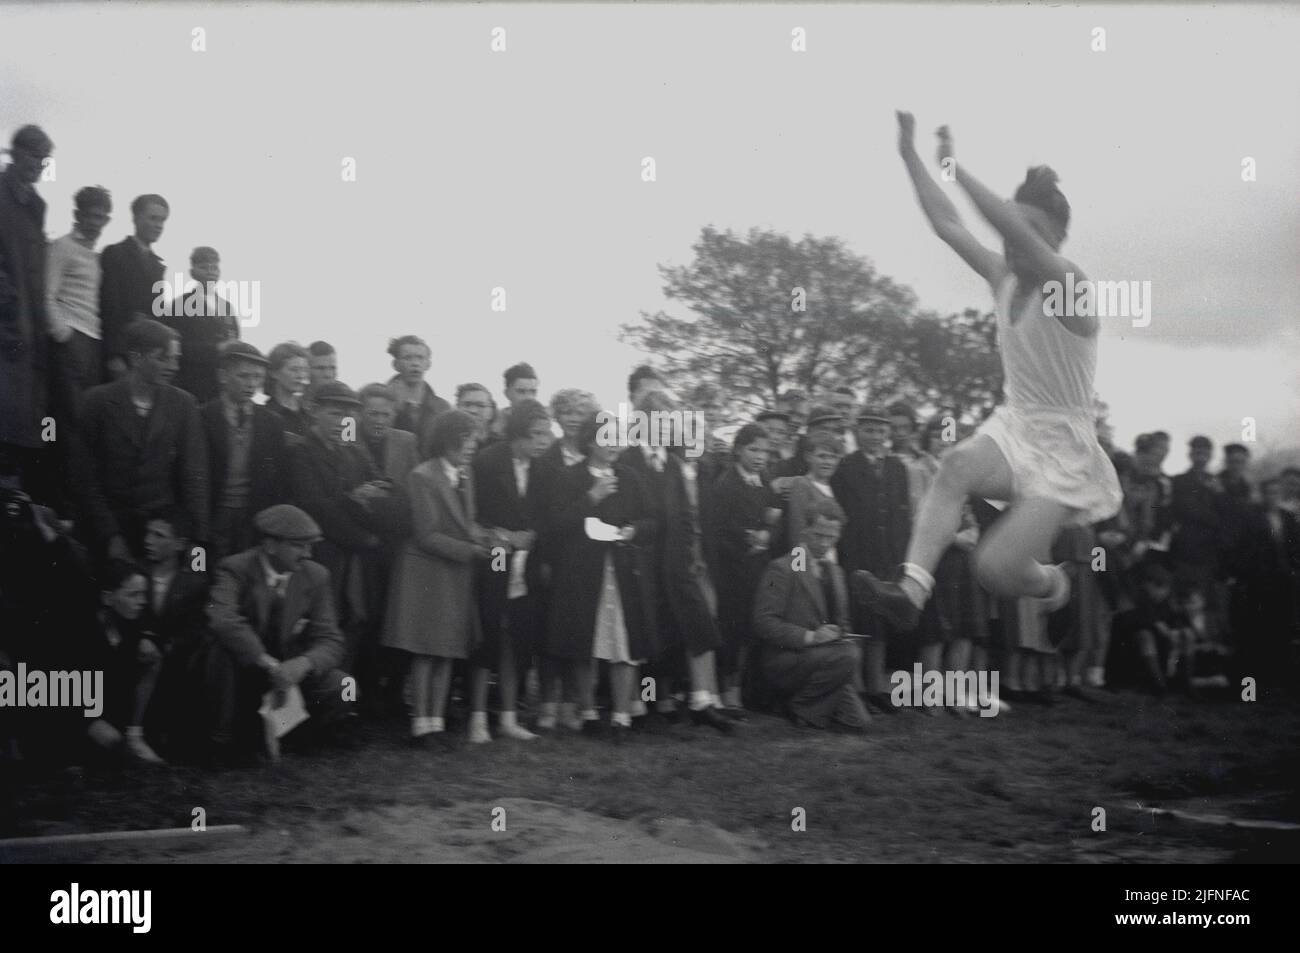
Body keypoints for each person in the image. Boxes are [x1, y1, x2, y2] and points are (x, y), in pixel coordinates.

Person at [856, 112, 1122, 634]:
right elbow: (947, 224)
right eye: (1015, 230)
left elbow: (1004, 222)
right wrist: (910, 154)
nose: (1017, 242)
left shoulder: (1069, 286)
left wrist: (956, 168)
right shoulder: (1002, 277)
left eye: (1034, 233)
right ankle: (910, 591)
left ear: (1056, 241)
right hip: (1017, 424)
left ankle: (1055, 583)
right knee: (954, 465)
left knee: (996, 570)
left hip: (1066, 447)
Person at [203, 505, 351, 765]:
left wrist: (302, 664)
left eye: (310, 546)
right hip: (245, 674)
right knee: (220, 651)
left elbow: (331, 639)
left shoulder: (316, 576)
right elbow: (222, 619)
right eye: (298, 546)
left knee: (343, 686)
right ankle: (222, 741)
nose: (307, 554)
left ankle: (292, 738)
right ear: (270, 545)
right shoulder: (234, 568)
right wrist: (267, 663)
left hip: (289, 680)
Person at [544, 415, 658, 738]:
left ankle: (622, 715)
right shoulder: (570, 477)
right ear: (592, 441)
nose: (614, 445)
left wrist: (634, 529)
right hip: (583, 571)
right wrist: (593, 496)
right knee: (586, 639)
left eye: (618, 438)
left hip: (623, 571)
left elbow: (653, 521)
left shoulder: (631, 477)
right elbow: (556, 523)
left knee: (624, 642)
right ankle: (589, 712)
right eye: (607, 438)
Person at [383, 410, 492, 744]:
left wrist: (487, 537)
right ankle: (421, 723)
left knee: (447, 649)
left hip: (452, 572)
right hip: (426, 573)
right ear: (448, 439)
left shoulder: (466, 473)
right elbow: (427, 535)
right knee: (425, 650)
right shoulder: (423, 476)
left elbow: (464, 523)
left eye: (475, 438)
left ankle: (437, 722)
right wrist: (471, 550)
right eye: (467, 438)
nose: (473, 445)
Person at [287, 381, 407, 677]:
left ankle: (346, 698)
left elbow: (386, 492)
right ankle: (316, 698)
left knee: (356, 621)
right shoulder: (300, 452)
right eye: (335, 414)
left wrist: (361, 498)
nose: (342, 422)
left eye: (348, 416)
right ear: (314, 412)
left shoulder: (353, 453)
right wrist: (359, 517)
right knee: (322, 624)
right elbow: (316, 507)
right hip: (321, 554)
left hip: (355, 558)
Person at [73, 319, 209, 562]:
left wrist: (194, 539)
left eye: (176, 358)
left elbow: (194, 476)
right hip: (106, 528)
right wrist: (110, 535)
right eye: (163, 358)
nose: (173, 366)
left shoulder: (184, 405)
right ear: (136, 358)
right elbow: (84, 477)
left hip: (161, 536)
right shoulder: (96, 402)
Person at [469, 399, 555, 742]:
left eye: (546, 433)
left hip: (527, 563)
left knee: (514, 639)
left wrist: (533, 535)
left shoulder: (544, 468)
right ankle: (477, 720)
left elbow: (549, 516)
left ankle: (508, 717)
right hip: (495, 558)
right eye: (535, 434)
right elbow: (473, 514)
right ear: (517, 434)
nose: (542, 441)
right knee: (487, 635)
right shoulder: (488, 461)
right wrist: (503, 536)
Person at [752, 497, 872, 731]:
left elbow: (842, 624)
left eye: (832, 537)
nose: (825, 543)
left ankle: (803, 707)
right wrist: (811, 636)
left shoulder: (836, 571)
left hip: (827, 663)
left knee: (860, 722)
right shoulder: (784, 567)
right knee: (848, 655)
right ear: (804, 531)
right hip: (786, 661)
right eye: (819, 535)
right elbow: (764, 622)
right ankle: (800, 706)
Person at [832, 407, 911, 711]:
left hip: (888, 556)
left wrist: (902, 557)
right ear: (857, 432)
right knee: (861, 622)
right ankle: (859, 688)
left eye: (880, 431)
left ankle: (877, 686)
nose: (875, 437)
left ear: (887, 434)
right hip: (858, 555)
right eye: (868, 430)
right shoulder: (846, 467)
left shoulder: (896, 467)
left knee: (881, 622)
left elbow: (902, 515)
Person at [0, 125, 55, 501]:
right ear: (15, 153)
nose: (39, 164)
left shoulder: (36, 206)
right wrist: (6, 301)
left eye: (44, 158)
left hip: (27, 329)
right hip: (5, 320)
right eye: (34, 155)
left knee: (22, 424)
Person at [706, 423, 777, 713]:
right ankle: (728, 690)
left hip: (758, 567)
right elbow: (716, 530)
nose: (760, 456)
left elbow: (773, 516)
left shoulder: (764, 481)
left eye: (764, 451)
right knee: (732, 629)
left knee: (754, 627)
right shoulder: (726, 484)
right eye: (753, 450)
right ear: (738, 451)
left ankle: (751, 689)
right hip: (732, 569)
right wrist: (744, 539)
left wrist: (767, 533)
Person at [201, 342, 287, 558]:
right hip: (213, 513)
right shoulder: (202, 416)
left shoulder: (272, 422)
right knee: (206, 568)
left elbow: (278, 477)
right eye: (244, 376)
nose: (251, 384)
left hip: (254, 516)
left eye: (258, 378)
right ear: (223, 376)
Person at [137, 511, 210, 753]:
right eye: (148, 533)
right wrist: (144, 639)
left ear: (180, 544)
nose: (148, 540)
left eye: (159, 535)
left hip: (173, 656)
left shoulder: (193, 582)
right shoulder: (137, 573)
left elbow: (195, 628)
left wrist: (168, 647)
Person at [82, 560, 167, 764]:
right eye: (133, 595)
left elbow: (150, 625)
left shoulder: (130, 621)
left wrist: (147, 639)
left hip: (112, 711)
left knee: (152, 657)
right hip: (79, 712)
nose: (142, 601)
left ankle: (134, 735)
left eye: (143, 594)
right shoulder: (84, 631)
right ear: (108, 597)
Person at [46, 184, 112, 405]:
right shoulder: (62, 246)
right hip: (72, 337)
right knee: (69, 413)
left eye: (102, 218)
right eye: (92, 216)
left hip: (93, 341)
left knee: (86, 412)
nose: (96, 223)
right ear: (77, 214)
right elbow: (46, 294)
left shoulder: (95, 255)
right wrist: (64, 335)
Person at [99, 193, 168, 381]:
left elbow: (157, 313)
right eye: (153, 218)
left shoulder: (158, 266)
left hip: (148, 357)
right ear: (136, 218)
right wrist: (114, 355)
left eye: (162, 220)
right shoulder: (115, 254)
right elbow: (110, 308)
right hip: (122, 352)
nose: (158, 225)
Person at [163, 246, 241, 403]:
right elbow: (176, 347)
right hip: (193, 381)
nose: (210, 272)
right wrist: (216, 349)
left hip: (221, 384)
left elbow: (235, 340)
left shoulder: (227, 306)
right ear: (192, 272)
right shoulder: (180, 304)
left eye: (214, 267)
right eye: (203, 267)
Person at [386, 335, 451, 438]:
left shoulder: (442, 408)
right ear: (395, 364)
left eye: (420, 358)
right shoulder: (380, 401)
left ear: (428, 364)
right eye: (407, 358)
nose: (415, 363)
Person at [357, 382, 420, 485]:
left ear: (394, 415)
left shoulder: (407, 441)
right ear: (360, 413)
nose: (380, 421)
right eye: (373, 414)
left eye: (386, 415)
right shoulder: (347, 438)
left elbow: (415, 486)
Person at [263, 341, 313, 444]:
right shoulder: (265, 415)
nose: (300, 375)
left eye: (304, 370)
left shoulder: (309, 415)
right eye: (294, 370)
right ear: (274, 373)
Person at [489, 361, 540, 441]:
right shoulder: (494, 425)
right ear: (507, 393)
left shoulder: (544, 426)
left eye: (533, 392)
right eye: (521, 391)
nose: (528, 397)